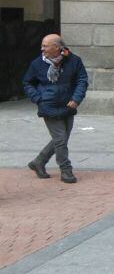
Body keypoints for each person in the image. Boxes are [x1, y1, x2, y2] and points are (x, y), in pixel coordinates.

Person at [24, 34, 88, 184]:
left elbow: (82, 80)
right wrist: (39, 99)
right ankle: (66, 170)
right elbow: (27, 83)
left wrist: (76, 99)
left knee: (61, 139)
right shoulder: (37, 63)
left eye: (46, 46)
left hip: (68, 105)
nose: (42, 49)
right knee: (60, 140)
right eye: (42, 45)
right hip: (48, 106)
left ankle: (39, 161)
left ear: (57, 48)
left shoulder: (73, 60)